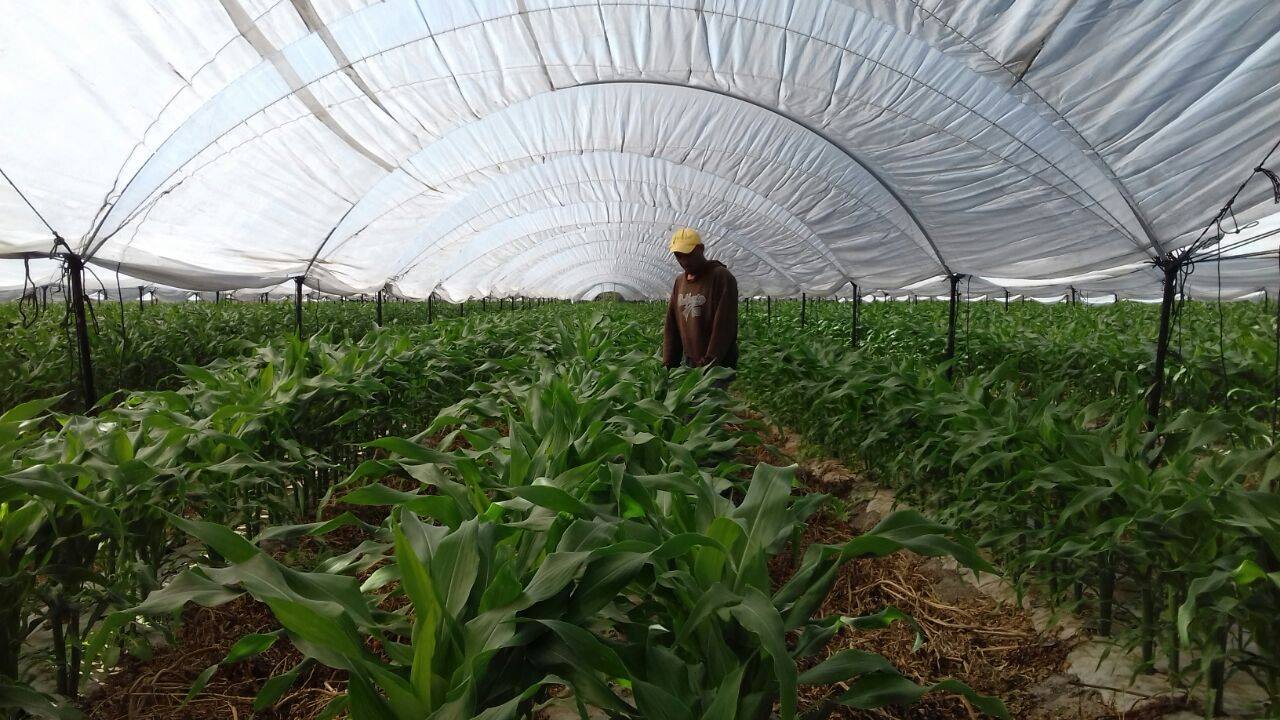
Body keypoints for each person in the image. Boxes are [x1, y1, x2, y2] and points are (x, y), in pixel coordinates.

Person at [663, 228, 739, 371]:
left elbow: (725, 325)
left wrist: (710, 362)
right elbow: (672, 324)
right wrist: (669, 363)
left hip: (718, 364)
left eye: (688, 254)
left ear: (701, 249)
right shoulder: (679, 282)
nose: (684, 261)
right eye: (678, 256)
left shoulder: (721, 277)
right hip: (691, 361)